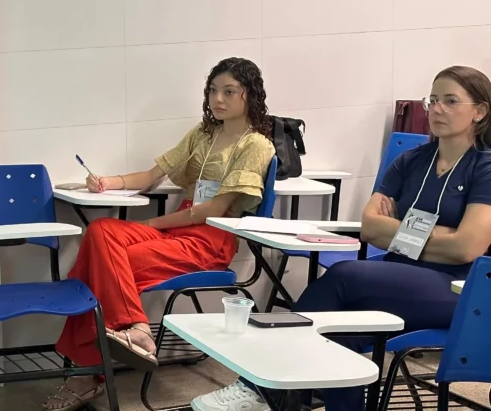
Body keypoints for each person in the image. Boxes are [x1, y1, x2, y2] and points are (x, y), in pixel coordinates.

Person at [192, 65, 491, 411]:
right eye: (433, 100)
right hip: (399, 275)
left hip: (461, 289)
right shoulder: (411, 161)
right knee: (334, 335)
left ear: (480, 111)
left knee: (346, 275)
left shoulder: (484, 168)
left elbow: (468, 247)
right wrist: (442, 238)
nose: (437, 109)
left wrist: (400, 231)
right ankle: (271, 391)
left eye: (450, 101)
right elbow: (370, 228)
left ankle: (258, 389)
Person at [42, 57, 275, 411]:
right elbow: (152, 176)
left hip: (210, 239)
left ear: (250, 95)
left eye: (229, 91)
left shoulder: (255, 145)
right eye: (213, 90)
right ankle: (136, 326)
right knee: (101, 231)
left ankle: (87, 375)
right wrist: (107, 182)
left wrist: (151, 225)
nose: (218, 99)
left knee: (100, 266)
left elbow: (214, 209)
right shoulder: (204, 133)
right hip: (180, 227)